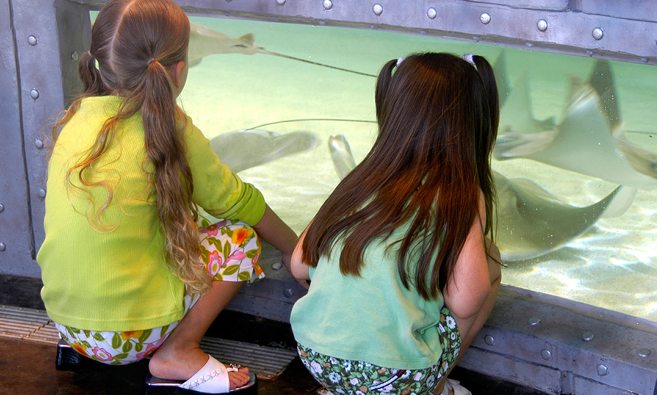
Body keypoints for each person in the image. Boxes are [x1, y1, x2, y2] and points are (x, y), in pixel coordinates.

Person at [36, 0, 298, 392]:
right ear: (178, 70)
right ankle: (179, 350)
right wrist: (299, 252)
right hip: (133, 335)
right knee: (239, 239)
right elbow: (235, 200)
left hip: (69, 325)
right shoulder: (171, 126)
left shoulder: (76, 118)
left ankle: (91, 344)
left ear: (100, 61)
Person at [289, 52, 503, 395]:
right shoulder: (462, 193)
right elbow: (466, 300)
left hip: (317, 358)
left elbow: (299, 264)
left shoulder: (359, 179)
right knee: (489, 260)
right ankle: (433, 386)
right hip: (399, 376)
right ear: (473, 122)